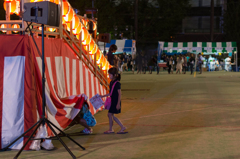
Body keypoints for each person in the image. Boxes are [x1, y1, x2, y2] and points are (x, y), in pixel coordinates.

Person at [100, 67, 127, 134]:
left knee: (110, 114)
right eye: (109, 74)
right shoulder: (111, 82)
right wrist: (102, 96)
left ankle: (111, 129)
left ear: (115, 75)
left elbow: (119, 93)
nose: (109, 76)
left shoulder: (117, 83)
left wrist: (118, 104)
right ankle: (121, 127)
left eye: (110, 75)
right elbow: (111, 93)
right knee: (111, 115)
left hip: (115, 101)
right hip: (113, 101)